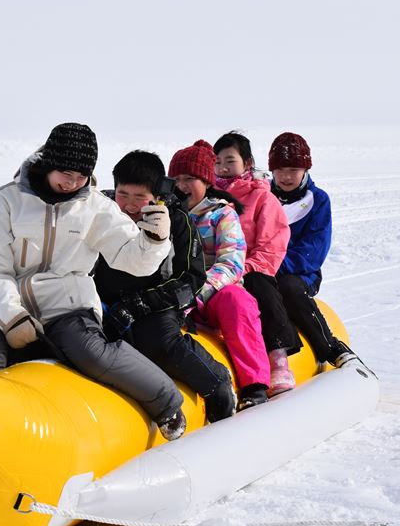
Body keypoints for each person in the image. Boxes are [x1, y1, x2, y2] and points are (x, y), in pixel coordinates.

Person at [0, 123, 186, 440]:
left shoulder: (95, 208)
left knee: (92, 353)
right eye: (65, 173)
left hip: (67, 308)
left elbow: (132, 259)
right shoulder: (7, 201)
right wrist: (11, 317)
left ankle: (166, 402)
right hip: (5, 311)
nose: (72, 183)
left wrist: (156, 241)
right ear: (48, 162)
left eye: (81, 176)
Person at [92, 150, 236, 423]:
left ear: (156, 195)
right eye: (123, 195)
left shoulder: (177, 220)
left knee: (158, 342)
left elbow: (191, 278)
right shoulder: (102, 213)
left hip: (156, 305)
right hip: (105, 300)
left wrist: (142, 303)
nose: (130, 205)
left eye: (139, 198)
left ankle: (216, 383)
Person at [169, 140, 272, 410]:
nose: (182, 185)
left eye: (190, 178)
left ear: (206, 181)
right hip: (173, 295)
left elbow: (231, 262)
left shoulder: (220, 214)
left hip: (212, 294)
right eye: (176, 179)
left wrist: (196, 295)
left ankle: (255, 383)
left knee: (238, 303)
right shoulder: (165, 215)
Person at [212, 131, 300, 396]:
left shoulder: (262, 198)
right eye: (217, 162)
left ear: (247, 163)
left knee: (259, 285)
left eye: (230, 160)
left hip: (249, 270)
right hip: (216, 272)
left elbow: (271, 247)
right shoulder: (207, 196)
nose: (223, 168)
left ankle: (277, 357)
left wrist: (241, 270)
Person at [268, 132, 358, 369]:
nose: (286, 176)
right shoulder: (262, 198)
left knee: (288, 287)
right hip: (262, 270)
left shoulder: (317, 201)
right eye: (281, 169)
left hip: (299, 274)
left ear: (305, 170)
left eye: (294, 170)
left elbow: (313, 250)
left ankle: (329, 346)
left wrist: (275, 264)